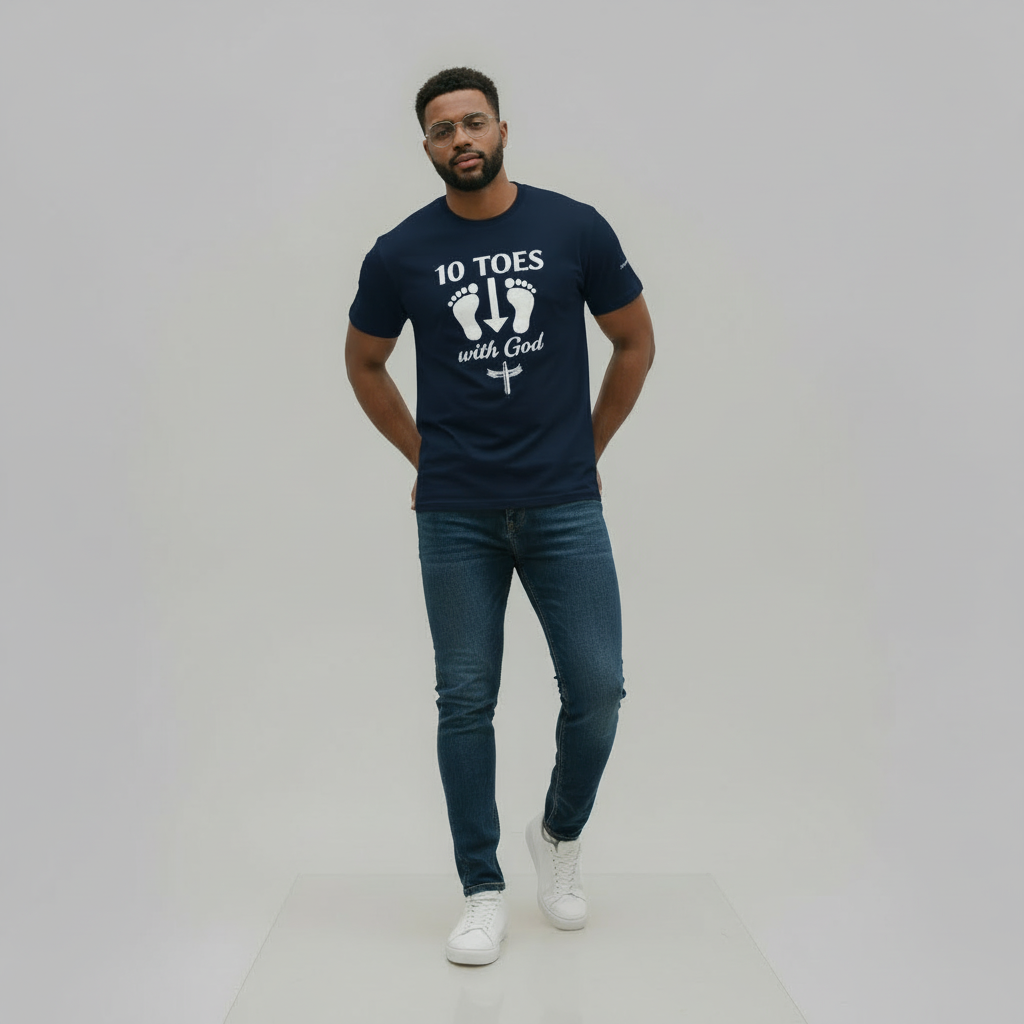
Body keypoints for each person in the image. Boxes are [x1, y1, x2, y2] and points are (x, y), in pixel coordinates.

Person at [345, 67, 654, 965]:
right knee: (464, 701)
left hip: (563, 506)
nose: (461, 140)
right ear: (429, 148)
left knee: (598, 689)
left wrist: (585, 450)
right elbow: (365, 363)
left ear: (503, 129)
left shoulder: (572, 226)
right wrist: (422, 456)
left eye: (473, 123)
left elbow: (634, 341)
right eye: (442, 131)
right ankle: (481, 888)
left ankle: (557, 837)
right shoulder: (400, 251)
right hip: (455, 515)